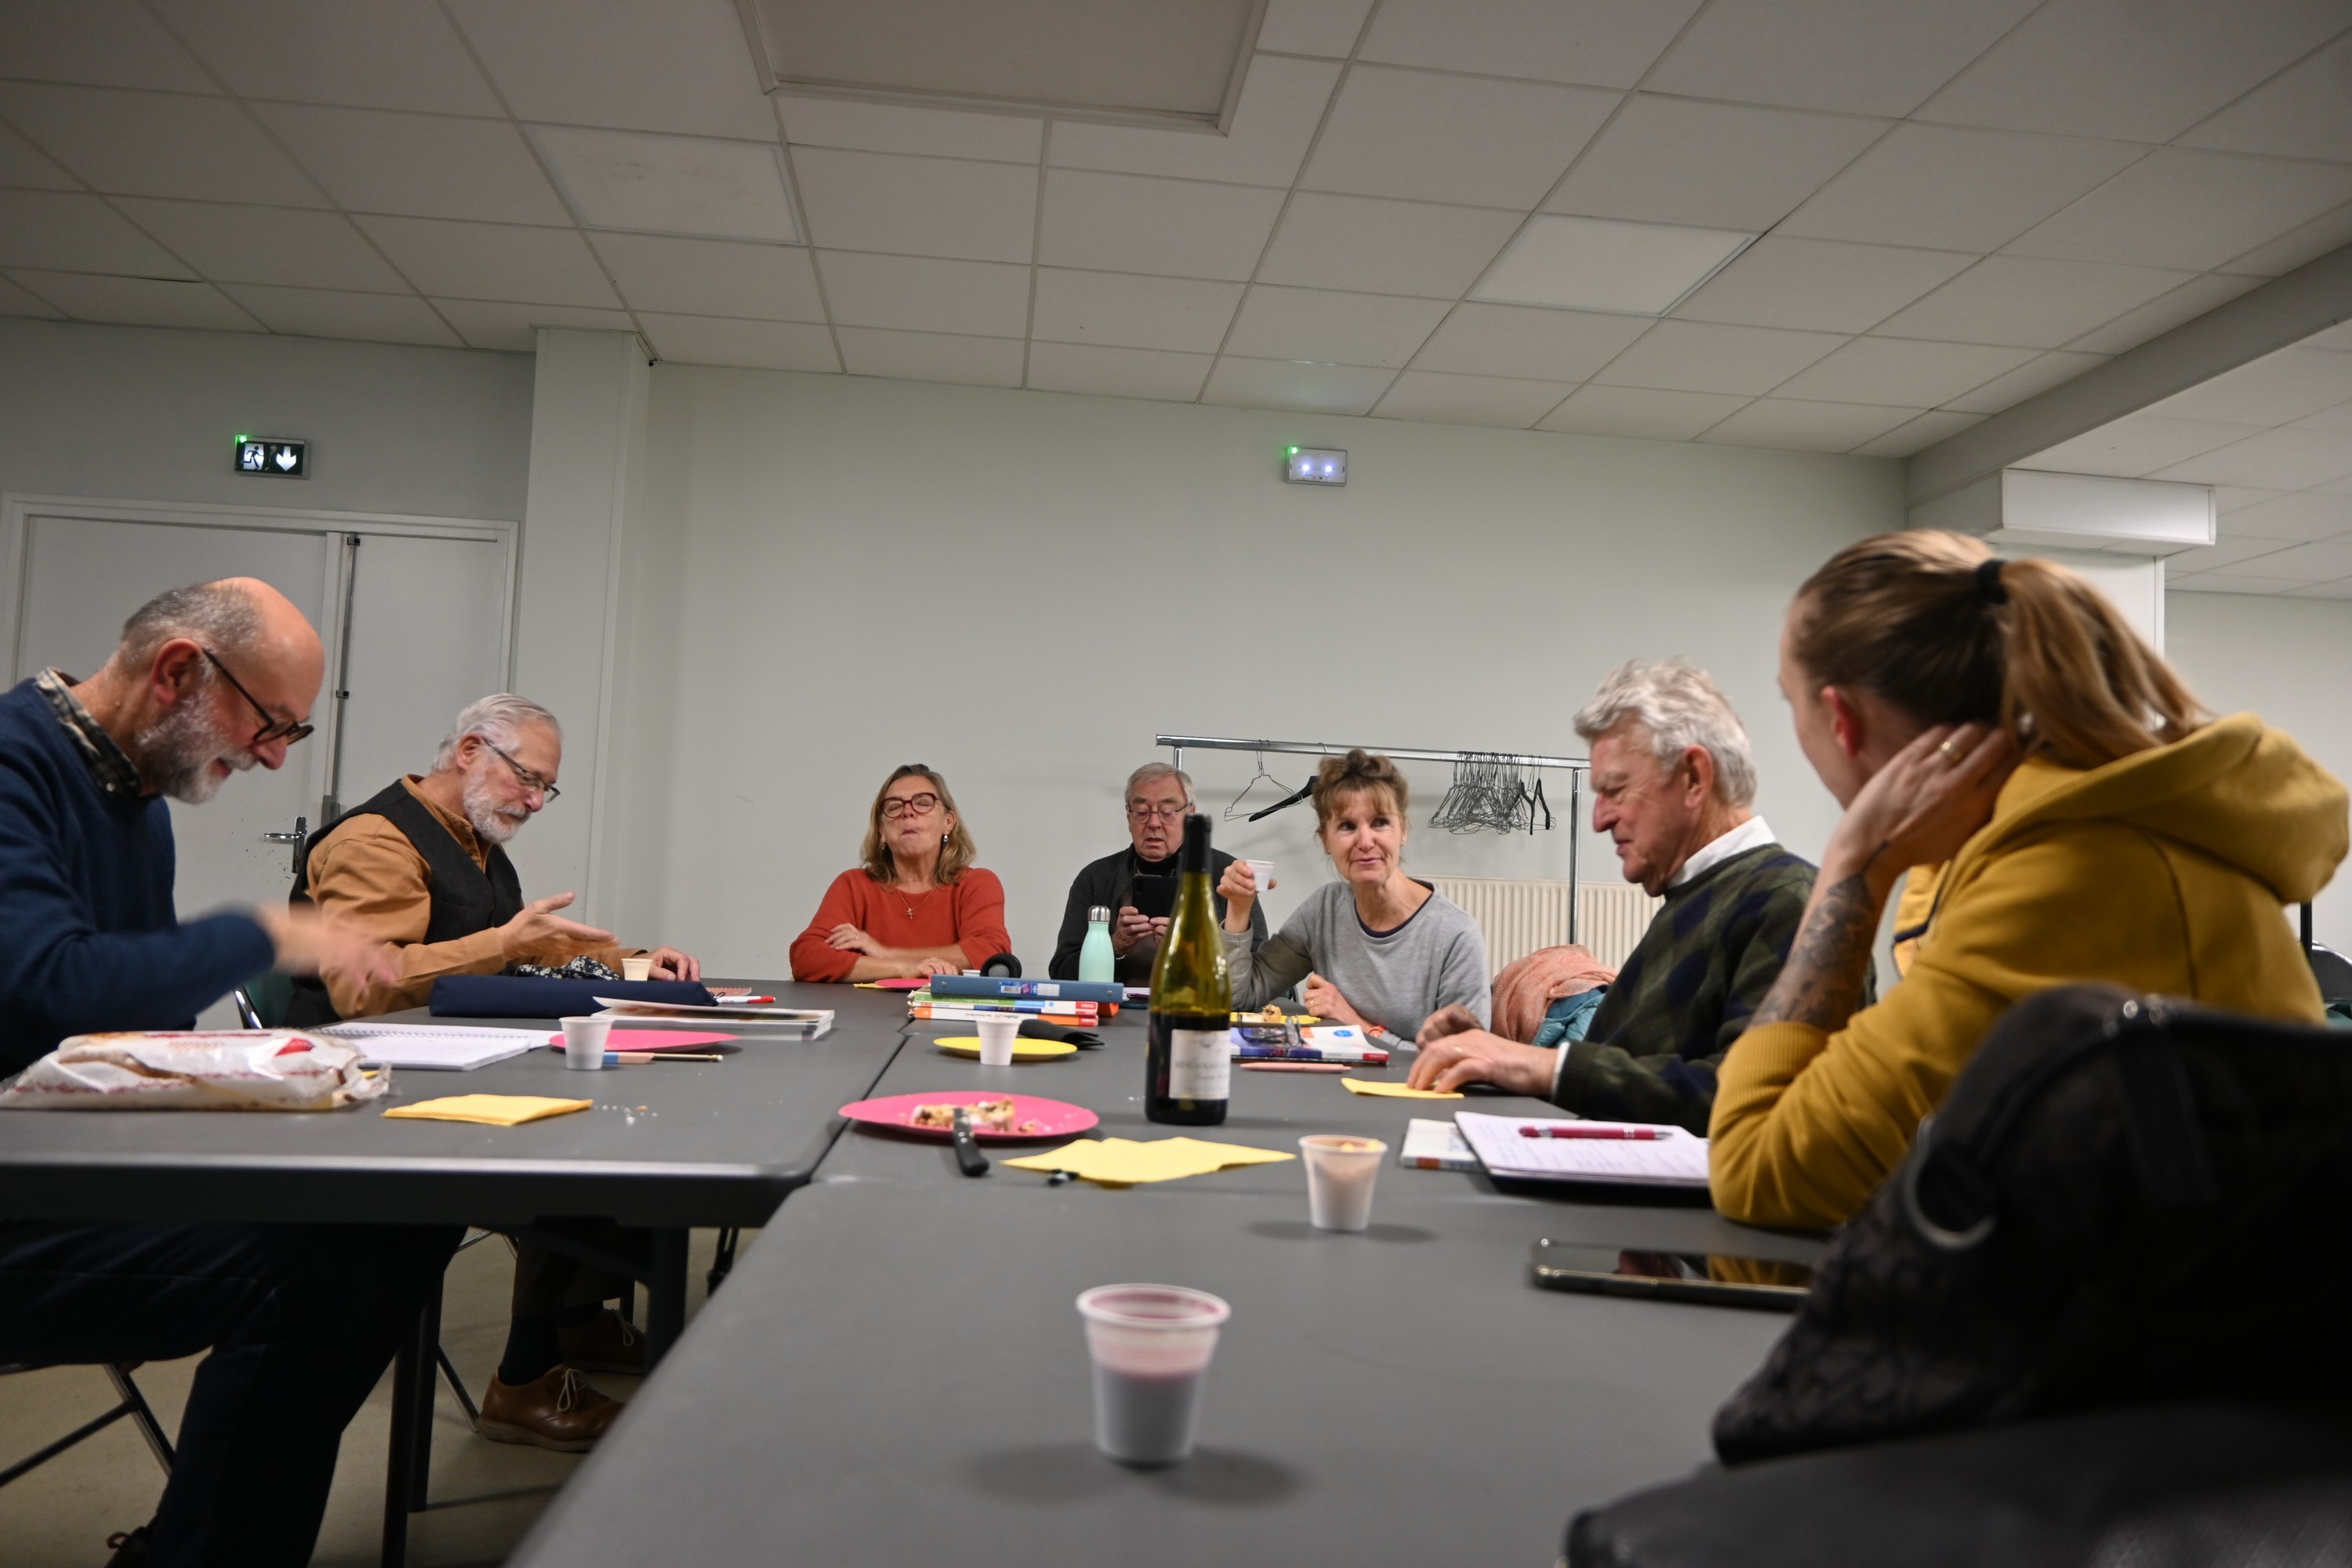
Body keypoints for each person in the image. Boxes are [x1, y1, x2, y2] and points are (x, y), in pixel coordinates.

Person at [0, 579, 458, 1568]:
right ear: (178, 671)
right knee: (313, 1270)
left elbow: (135, 1027)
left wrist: (270, 1067)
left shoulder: (134, 802)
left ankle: (198, 1544)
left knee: (406, 1214)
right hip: (21, 1196)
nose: (273, 755)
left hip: (77, 1164)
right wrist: (254, 931)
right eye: (274, 723)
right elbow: (46, 989)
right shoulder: (12, 766)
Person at [1710, 532, 2347, 1229]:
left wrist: (1850, 868)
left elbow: (1761, 1170)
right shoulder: (2037, 841)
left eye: (1789, 702)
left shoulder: (2068, 872)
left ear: (1840, 718)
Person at [288, 692, 702, 1451]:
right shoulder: (376, 841)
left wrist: (635, 961)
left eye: (548, 786)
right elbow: (367, 989)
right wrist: (507, 945)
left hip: (440, 1063)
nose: (537, 800)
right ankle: (524, 1377)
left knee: (621, 1101)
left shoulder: (474, 841)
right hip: (363, 1090)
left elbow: (517, 943)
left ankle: (576, 1319)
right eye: (528, 777)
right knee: (574, 1140)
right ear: (471, 749)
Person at [1410, 661, 1846, 1133]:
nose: (1599, 819)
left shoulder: (1787, 902)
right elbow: (1633, 1072)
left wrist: (1537, 1067)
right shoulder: (1704, 894)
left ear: (1695, 778)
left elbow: (1756, 1102)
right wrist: (1495, 1057)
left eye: (1615, 790)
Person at [1217, 750, 1487, 1044]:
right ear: (1325, 840)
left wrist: (1355, 1023)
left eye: (1380, 822)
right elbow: (1237, 1001)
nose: (1365, 841)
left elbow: (1465, 1058)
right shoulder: (1324, 910)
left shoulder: (1456, 933)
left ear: (1404, 830)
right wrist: (1239, 908)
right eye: (1347, 826)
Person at [790, 764, 1013, 982]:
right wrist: (903, 969)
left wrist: (884, 953)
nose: (908, 812)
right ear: (881, 830)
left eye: (923, 803)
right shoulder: (853, 884)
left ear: (948, 822)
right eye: (894, 807)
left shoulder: (977, 883)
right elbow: (807, 957)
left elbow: (990, 953)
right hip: (866, 1015)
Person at [1049, 762, 1266, 983]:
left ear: (1190, 815)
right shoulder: (1096, 877)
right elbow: (1060, 971)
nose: (1154, 823)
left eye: (1168, 812)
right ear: (1129, 817)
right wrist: (1112, 946)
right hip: (1114, 1010)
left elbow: (1258, 972)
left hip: (1197, 1010)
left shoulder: (1225, 874)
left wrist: (1193, 953)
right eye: (1142, 812)